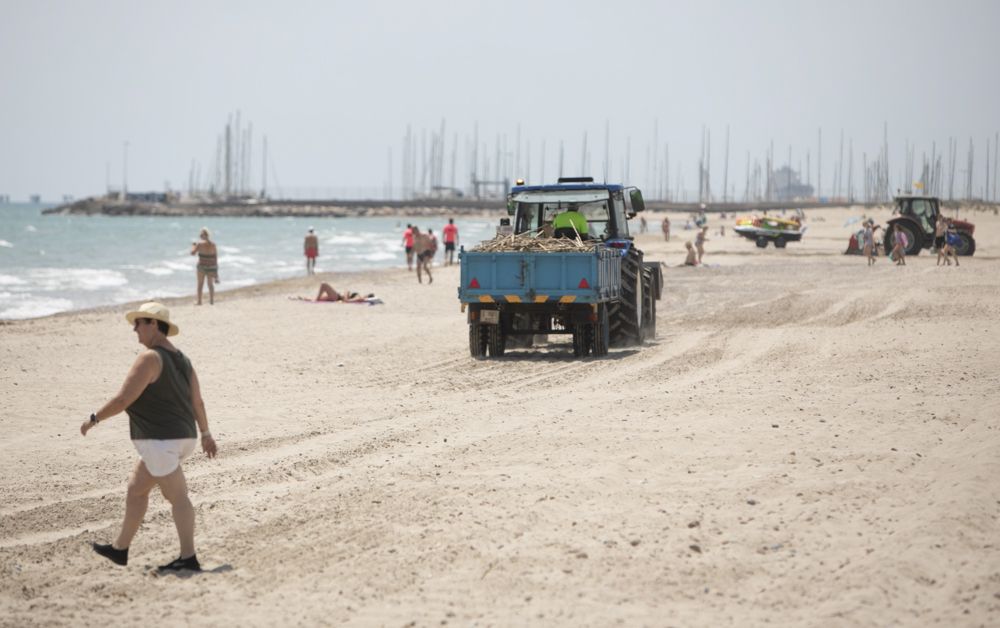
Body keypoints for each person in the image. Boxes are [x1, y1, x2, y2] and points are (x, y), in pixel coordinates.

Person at [81, 302, 217, 573]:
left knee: (178, 497)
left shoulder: (150, 358)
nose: (135, 329)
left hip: (161, 441)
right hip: (182, 438)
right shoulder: (183, 360)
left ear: (154, 324)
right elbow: (197, 402)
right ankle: (120, 549)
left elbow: (123, 399)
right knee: (136, 489)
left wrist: (94, 418)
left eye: (139, 323)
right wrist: (205, 434)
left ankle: (188, 558)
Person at [190, 228, 219, 305]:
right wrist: (216, 270)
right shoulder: (213, 245)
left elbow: (192, 253)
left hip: (202, 266)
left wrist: (193, 245)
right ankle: (211, 301)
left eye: (201, 235)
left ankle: (199, 301)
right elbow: (215, 257)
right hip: (211, 267)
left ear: (203, 235)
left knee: (200, 284)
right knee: (210, 284)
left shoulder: (199, 244)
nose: (200, 236)